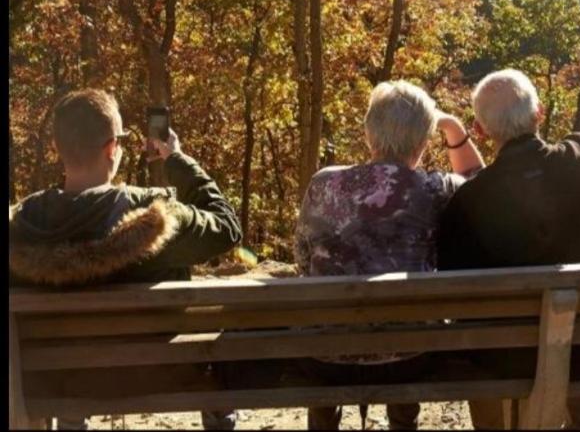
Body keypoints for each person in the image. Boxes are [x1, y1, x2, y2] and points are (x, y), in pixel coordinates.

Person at [8, 89, 242, 431]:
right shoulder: (153, 215)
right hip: (162, 375)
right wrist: (176, 158)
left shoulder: (23, 224)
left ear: (58, 148)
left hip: (58, 382)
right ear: (111, 149)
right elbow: (227, 226)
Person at [437, 41, 580, 430]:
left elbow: (452, 297)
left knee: (484, 359)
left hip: (500, 358)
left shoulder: (465, 202)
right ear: (539, 114)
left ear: (479, 129)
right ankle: (579, 420)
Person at [294, 80, 483, 431]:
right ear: (424, 142)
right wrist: (453, 127)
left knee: (326, 332)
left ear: (368, 134)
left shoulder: (324, 183)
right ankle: (402, 423)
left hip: (325, 356)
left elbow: (303, 261)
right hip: (409, 357)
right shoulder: (436, 188)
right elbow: (482, 183)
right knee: (408, 330)